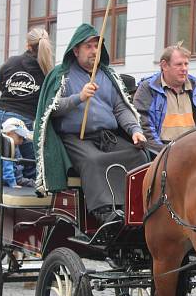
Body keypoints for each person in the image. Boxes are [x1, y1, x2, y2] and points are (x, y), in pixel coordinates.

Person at [33, 23, 147, 226]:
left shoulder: (108, 75)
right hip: (76, 138)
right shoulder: (61, 75)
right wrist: (79, 97)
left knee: (138, 155)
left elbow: (121, 109)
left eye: (97, 46)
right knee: (93, 160)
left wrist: (135, 130)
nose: (94, 50)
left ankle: (137, 207)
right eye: (89, 46)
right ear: (76, 50)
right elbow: (52, 109)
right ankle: (104, 211)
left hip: (106, 136)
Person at [0, 27, 54, 180]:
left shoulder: (11, 62)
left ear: (28, 45)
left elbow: (0, 85)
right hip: (22, 124)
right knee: (31, 165)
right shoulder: (48, 71)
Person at [133, 43, 196, 144]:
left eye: (186, 64)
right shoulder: (148, 89)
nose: (184, 69)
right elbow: (145, 127)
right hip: (161, 151)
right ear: (164, 66)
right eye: (179, 64)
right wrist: (163, 153)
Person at [0, 117, 34, 188]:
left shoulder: (1, 144)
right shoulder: (5, 148)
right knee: (33, 184)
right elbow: (6, 168)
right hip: (9, 180)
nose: (21, 141)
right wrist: (13, 184)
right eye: (20, 137)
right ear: (8, 134)